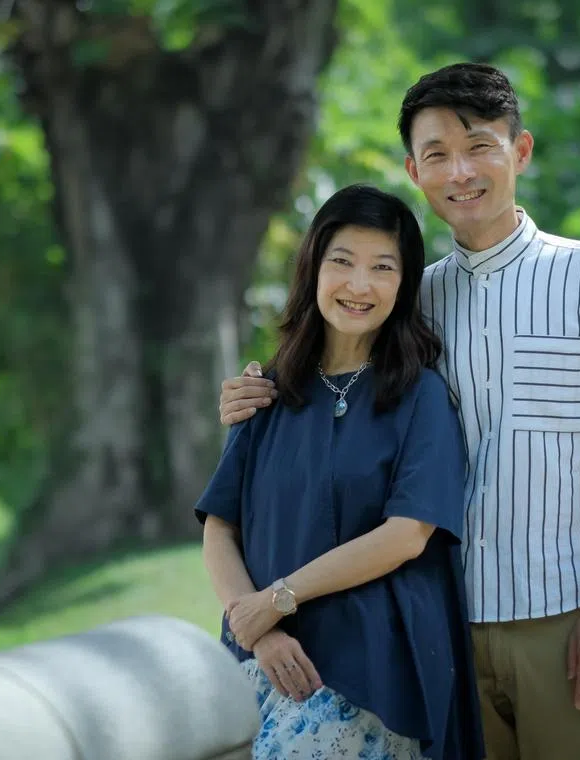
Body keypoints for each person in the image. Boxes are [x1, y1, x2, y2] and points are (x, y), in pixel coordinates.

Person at [218, 63, 580, 760]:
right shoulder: (411, 299)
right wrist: (255, 389)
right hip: (441, 630)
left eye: (479, 147)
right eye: (437, 155)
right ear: (414, 170)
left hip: (561, 618)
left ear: (520, 151)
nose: (459, 172)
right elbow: (335, 385)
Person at [195, 183, 485, 759]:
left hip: (369, 669)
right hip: (258, 660)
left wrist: (278, 599)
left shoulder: (422, 396)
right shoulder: (265, 391)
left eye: (382, 268)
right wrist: (260, 625)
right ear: (313, 268)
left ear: (404, 284)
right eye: (343, 261)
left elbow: (406, 536)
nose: (359, 285)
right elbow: (220, 528)